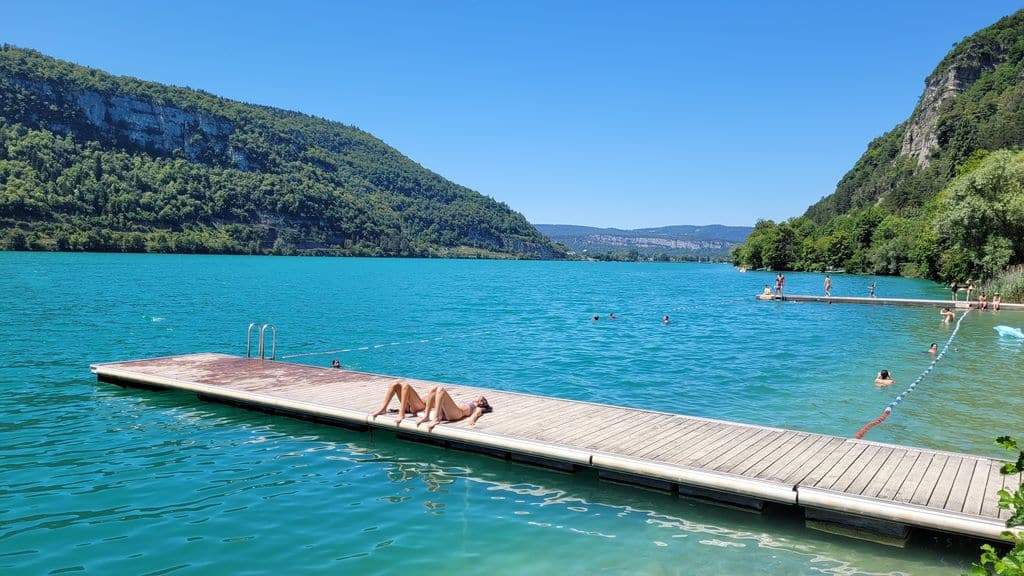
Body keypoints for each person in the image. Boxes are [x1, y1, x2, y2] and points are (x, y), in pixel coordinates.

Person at [416, 386, 491, 431]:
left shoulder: (477, 408)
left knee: (441, 390)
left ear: (481, 402)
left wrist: (472, 420)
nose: (476, 395)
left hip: (457, 414)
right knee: (433, 389)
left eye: (479, 396)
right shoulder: (468, 403)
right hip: (447, 412)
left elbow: (475, 414)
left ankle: (436, 419)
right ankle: (426, 415)